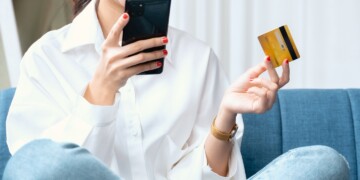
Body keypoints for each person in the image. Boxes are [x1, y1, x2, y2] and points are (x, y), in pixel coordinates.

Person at [3, 0, 349, 179]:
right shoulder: (47, 58)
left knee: (322, 162)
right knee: (37, 161)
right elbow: (36, 170)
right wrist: (101, 90)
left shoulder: (197, 58)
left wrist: (224, 117)